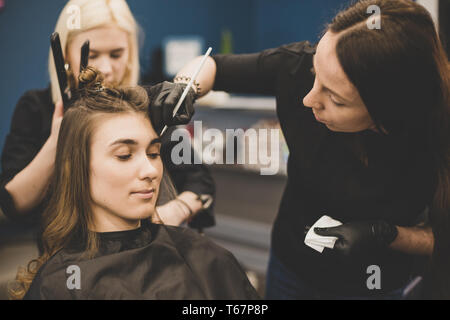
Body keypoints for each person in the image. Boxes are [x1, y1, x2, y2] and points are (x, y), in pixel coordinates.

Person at [157, 0, 450, 299]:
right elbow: (213, 65)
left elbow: (441, 239)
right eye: (314, 75)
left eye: (335, 99)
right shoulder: (297, 67)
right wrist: (185, 86)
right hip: (292, 266)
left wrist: (384, 234)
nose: (308, 99)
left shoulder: (433, 134)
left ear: (386, 115)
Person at [8, 67, 259, 300]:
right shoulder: (56, 285)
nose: (150, 171)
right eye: (124, 155)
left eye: (153, 154)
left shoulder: (204, 258)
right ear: (78, 168)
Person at [0, 0, 214, 231]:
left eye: (116, 54)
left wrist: (175, 210)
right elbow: (13, 205)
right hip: (66, 257)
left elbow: (200, 181)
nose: (106, 69)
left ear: (130, 53)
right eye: (91, 55)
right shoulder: (37, 108)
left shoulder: (147, 107)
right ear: (65, 55)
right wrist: (56, 142)